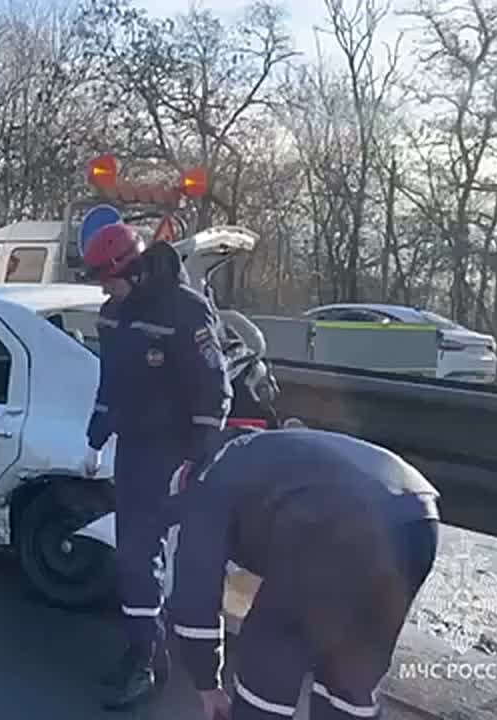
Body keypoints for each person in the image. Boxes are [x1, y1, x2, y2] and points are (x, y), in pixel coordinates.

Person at [168, 427, 441, 720]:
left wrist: (207, 683)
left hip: (333, 529)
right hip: (418, 521)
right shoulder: (269, 450)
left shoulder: (210, 481)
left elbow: (195, 592)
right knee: (351, 678)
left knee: (269, 662)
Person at [80, 224, 233, 710]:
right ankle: (145, 650)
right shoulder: (114, 315)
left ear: (135, 272)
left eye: (109, 280)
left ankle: (146, 662)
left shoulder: (184, 311)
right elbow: (111, 383)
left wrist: (196, 458)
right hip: (133, 450)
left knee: (140, 557)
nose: (104, 291)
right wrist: (95, 438)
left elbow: (214, 389)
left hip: (171, 452)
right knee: (133, 555)